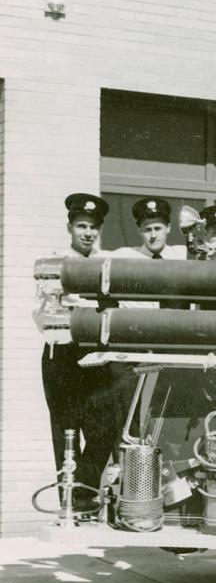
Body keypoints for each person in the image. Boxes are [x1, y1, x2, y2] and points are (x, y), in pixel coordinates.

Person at [41, 193, 127, 509]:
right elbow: (44, 312)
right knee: (66, 431)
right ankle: (72, 502)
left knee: (103, 430)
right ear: (70, 227)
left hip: (97, 356)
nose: (88, 232)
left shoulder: (107, 264)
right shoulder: (55, 262)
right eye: (82, 226)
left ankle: (82, 494)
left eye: (93, 227)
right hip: (63, 355)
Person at [111, 197, 188, 260]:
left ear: (168, 228)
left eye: (157, 229)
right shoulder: (126, 255)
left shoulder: (182, 255)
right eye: (148, 230)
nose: (153, 235)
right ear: (139, 230)